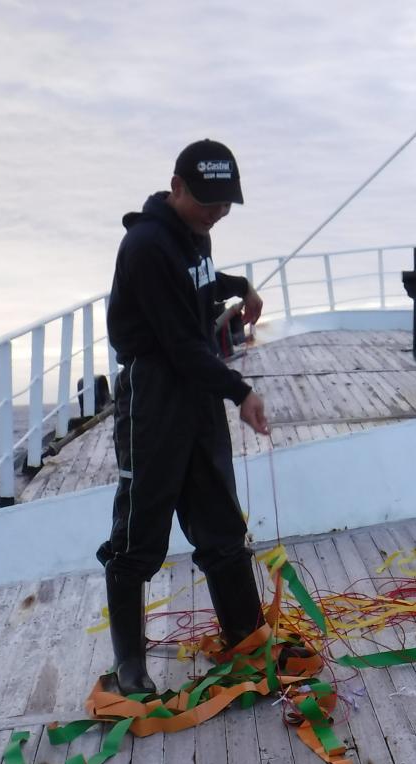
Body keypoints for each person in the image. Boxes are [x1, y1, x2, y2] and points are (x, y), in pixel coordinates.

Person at [96, 139, 272, 695]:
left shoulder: (196, 234)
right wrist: (240, 391)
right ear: (176, 187)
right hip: (154, 393)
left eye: (224, 204)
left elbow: (200, 287)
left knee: (220, 518)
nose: (216, 213)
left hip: (197, 390)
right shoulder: (146, 245)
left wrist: (241, 287)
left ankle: (246, 636)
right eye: (206, 202)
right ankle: (129, 666)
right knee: (139, 532)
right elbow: (177, 342)